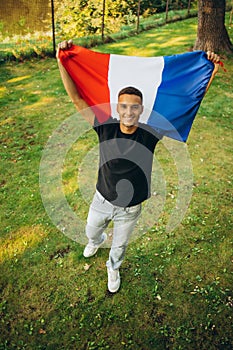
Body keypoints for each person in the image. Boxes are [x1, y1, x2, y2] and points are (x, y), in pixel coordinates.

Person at [57, 40, 220, 293]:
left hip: (130, 207)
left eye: (134, 107)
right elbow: (76, 98)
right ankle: (95, 240)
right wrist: (61, 61)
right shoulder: (105, 126)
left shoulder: (150, 132)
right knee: (91, 230)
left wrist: (209, 71)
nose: (129, 111)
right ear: (117, 108)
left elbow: (189, 102)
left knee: (119, 246)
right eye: (124, 106)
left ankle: (113, 268)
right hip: (102, 198)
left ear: (141, 109)